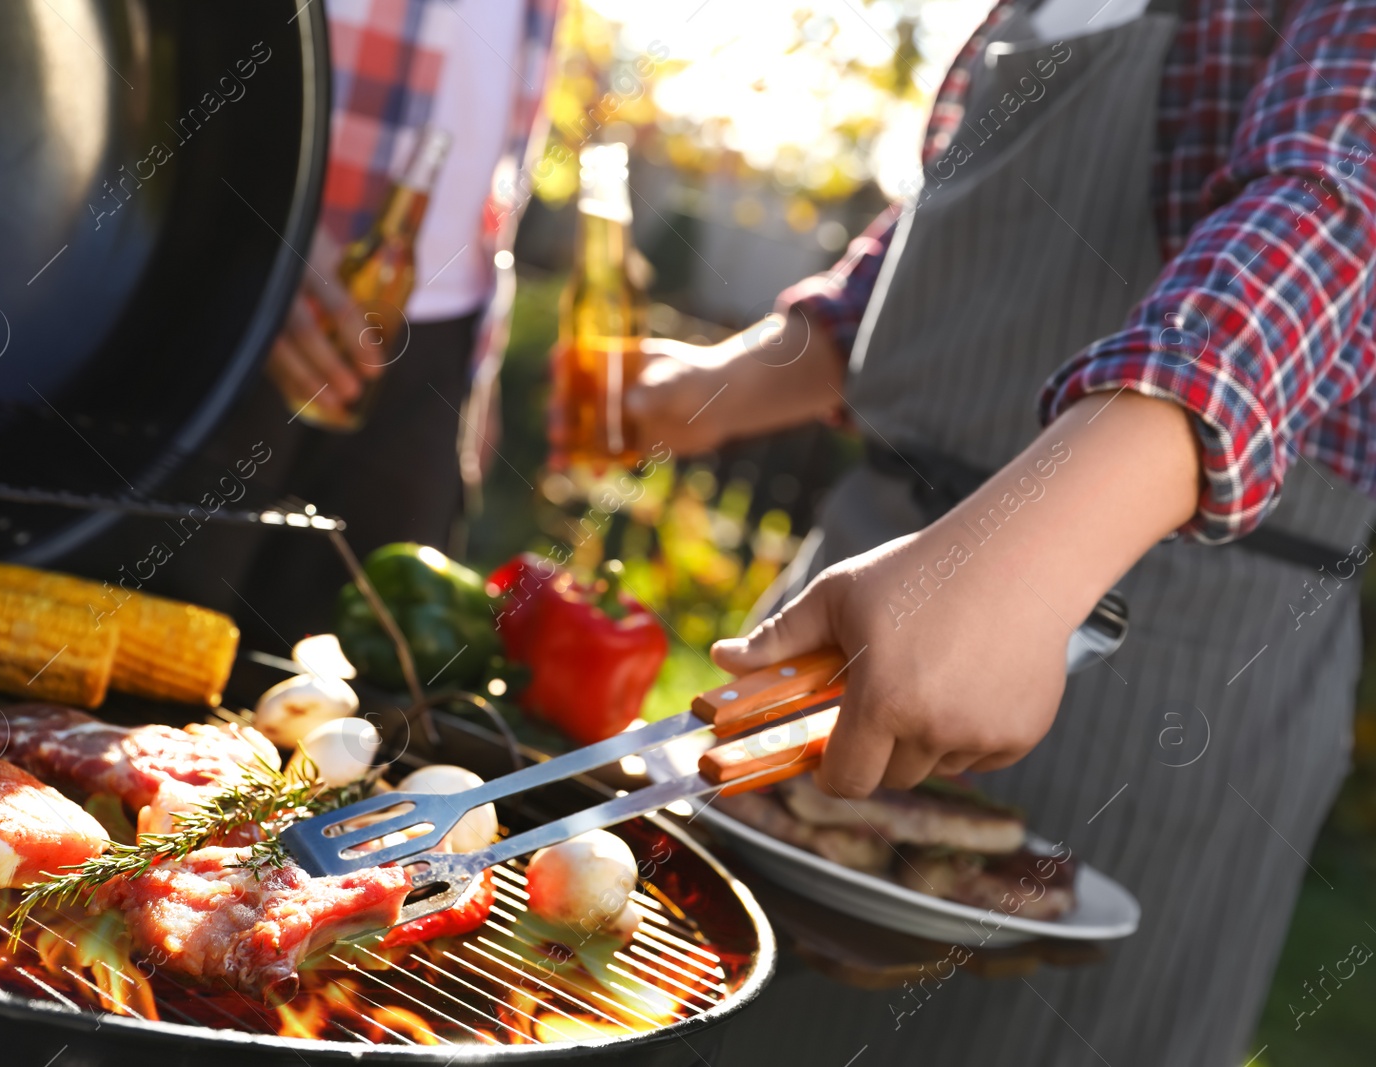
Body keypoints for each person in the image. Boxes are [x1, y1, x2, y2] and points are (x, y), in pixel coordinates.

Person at [627, 0, 1376, 1062]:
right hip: (868, 586)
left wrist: (1025, 550)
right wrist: (693, 393)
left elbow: (1333, 199)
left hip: (1165, 652)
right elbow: (915, 273)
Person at [234, 0, 559, 642]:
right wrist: (247, 243)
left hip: (438, 346)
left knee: (354, 703)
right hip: (255, 304)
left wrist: (479, 366)